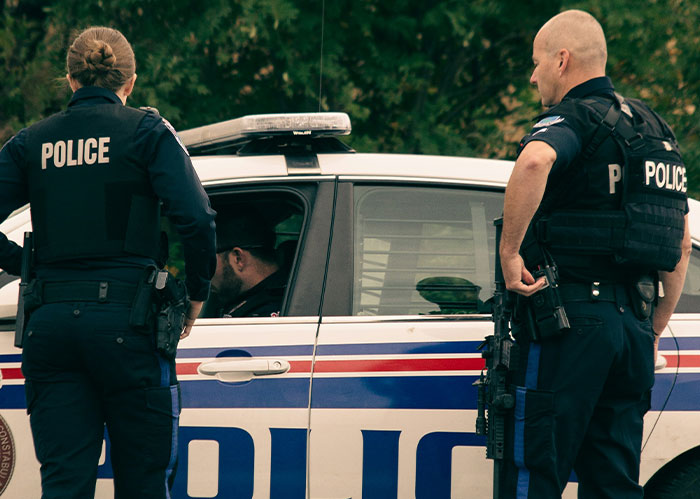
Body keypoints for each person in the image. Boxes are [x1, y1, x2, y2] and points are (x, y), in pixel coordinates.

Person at [0, 27, 217, 498]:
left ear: (70, 80)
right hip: (130, 326)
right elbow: (197, 220)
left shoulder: (31, 141)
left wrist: (25, 265)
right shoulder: (147, 133)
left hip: (51, 328)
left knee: (64, 482)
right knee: (142, 483)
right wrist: (197, 294)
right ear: (130, 81)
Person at [497, 10, 691, 499]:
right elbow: (680, 243)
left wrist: (509, 251)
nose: (533, 74)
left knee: (535, 477)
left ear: (562, 60)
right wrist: (654, 326)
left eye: (537, 62)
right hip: (632, 331)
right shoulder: (655, 130)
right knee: (613, 483)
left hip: (572, 324)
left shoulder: (575, 118)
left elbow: (536, 159)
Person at [208, 212, 286, 317]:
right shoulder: (285, 297)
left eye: (208, 260)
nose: (204, 272)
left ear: (238, 258)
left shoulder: (267, 314)